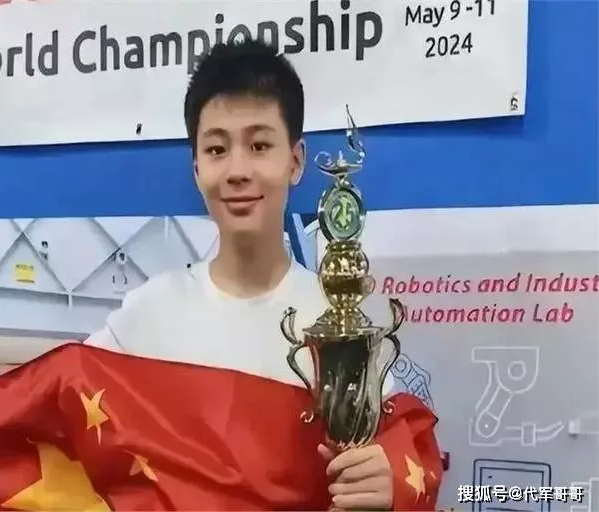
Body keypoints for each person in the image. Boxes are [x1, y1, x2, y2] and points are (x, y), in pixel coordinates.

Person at [85, 38, 442, 511]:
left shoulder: (339, 323)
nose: (237, 170)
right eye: (217, 149)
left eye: (259, 145)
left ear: (295, 161)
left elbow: (404, 448)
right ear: (196, 168)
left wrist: (389, 477)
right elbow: (56, 406)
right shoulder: (146, 316)